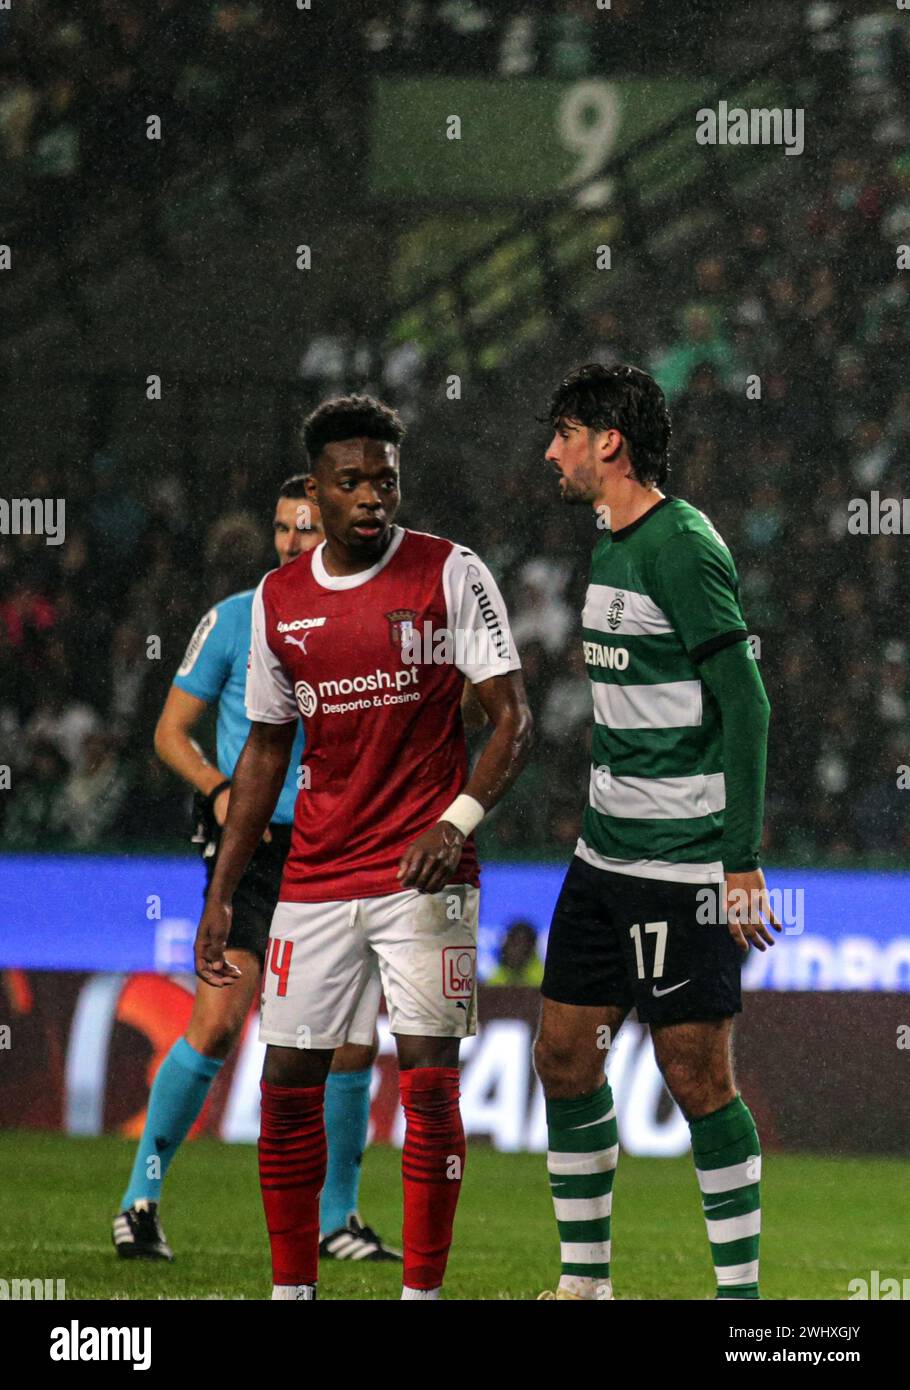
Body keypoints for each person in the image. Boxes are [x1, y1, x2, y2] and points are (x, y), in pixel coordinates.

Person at [194, 393, 533, 1300]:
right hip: (312, 874)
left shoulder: (452, 573)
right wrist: (223, 890)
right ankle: (290, 1290)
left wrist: (453, 822)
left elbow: (513, 720)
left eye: (386, 480)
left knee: (429, 1085)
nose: (373, 498)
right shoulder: (278, 600)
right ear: (317, 490)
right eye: (352, 484)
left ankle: (421, 1295)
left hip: (428, 874)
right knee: (286, 1085)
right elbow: (265, 749)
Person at [534, 363, 775, 1302]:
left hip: (681, 866)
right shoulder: (609, 541)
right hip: (602, 859)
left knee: (695, 1076)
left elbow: (746, 704)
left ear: (609, 442)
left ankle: (741, 1305)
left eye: (564, 431)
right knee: (561, 1056)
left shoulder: (681, 545)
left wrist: (741, 860)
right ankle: (585, 1285)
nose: (551, 451)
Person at [113, 475, 399, 1264]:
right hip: (259, 850)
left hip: (342, 848)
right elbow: (172, 731)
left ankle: (337, 1219)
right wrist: (217, 788)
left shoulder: (368, 621)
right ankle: (140, 1200)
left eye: (306, 528)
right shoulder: (236, 619)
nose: (291, 542)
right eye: (282, 528)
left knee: (351, 1041)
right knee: (216, 1020)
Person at [487, 919, 544, 986]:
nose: (514, 951)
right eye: (513, 944)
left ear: (530, 948)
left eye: (521, 945)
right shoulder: (500, 973)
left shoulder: (541, 977)